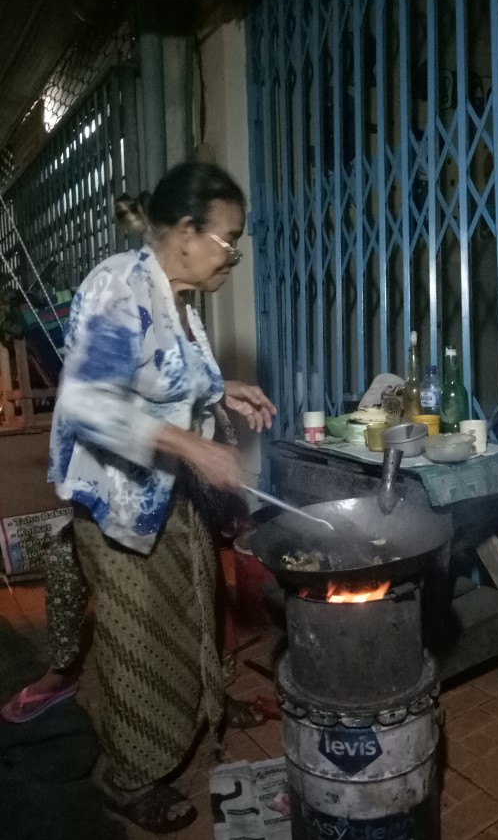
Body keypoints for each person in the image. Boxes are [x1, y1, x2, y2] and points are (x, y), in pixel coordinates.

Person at [42, 161, 276, 834]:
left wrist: (222, 390)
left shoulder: (179, 300)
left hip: (168, 494)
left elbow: (170, 375)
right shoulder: (118, 287)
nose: (234, 253)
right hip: (116, 499)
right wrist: (193, 445)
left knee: (192, 610)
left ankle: (203, 706)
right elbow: (87, 404)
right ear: (184, 231)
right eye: (228, 239)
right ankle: (129, 775)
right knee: (138, 635)